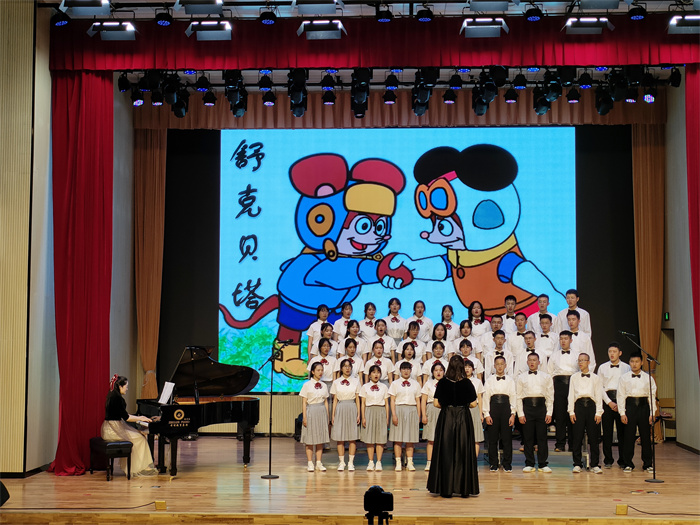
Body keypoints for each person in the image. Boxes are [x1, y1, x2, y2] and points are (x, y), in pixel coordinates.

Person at [427, 356, 479, 498]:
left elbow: (436, 403)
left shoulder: (443, 382)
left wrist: (447, 405)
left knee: (446, 450)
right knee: (463, 450)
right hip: (463, 417)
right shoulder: (467, 383)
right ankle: (463, 488)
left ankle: (446, 489)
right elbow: (474, 404)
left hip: (447, 417)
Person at [102, 375, 158, 477]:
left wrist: (139, 418)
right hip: (113, 429)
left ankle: (134, 466)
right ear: (120, 386)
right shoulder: (117, 398)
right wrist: (141, 418)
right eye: (126, 386)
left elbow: (123, 415)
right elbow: (126, 417)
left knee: (138, 435)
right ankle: (139, 468)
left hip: (110, 427)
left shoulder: (112, 395)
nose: (127, 389)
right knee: (140, 438)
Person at [618, 352, 657, 473]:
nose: (634, 364)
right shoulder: (624, 378)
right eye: (632, 361)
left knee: (645, 437)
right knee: (628, 437)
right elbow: (621, 396)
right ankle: (628, 463)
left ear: (642, 362)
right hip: (630, 407)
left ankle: (648, 464)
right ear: (629, 363)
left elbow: (652, 396)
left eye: (637, 361)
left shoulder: (648, 378)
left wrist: (652, 413)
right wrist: (622, 413)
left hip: (644, 407)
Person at [516, 353, 554, 473]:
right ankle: (529, 463)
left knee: (542, 437)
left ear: (539, 362)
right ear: (527, 362)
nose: (532, 362)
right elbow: (518, 397)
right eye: (530, 360)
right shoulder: (521, 377)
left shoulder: (546, 377)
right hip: (527, 408)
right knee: (528, 437)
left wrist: (549, 412)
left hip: (541, 407)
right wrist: (520, 414)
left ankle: (543, 464)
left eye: (534, 360)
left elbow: (550, 396)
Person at [596, 342, 631, 468]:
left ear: (620, 353)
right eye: (610, 351)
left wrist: (621, 403)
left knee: (622, 433)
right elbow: (599, 387)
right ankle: (608, 460)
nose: (612, 354)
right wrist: (609, 402)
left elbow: (628, 385)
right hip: (607, 400)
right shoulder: (602, 367)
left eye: (614, 351)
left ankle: (623, 460)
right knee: (607, 432)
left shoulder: (627, 367)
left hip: (622, 400)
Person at [567, 353, 603, 473]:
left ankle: (595, 464)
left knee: (594, 438)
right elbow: (571, 395)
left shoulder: (596, 378)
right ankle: (577, 463)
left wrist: (599, 412)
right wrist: (571, 411)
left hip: (592, 407)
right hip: (578, 406)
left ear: (588, 362)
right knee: (577, 437)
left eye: (583, 360)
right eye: (579, 360)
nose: (581, 362)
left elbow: (599, 395)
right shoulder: (574, 377)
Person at [483, 356, 516, 472]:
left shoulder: (510, 380)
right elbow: (486, 397)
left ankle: (507, 463)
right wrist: (487, 414)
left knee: (507, 438)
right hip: (493, 408)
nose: (500, 366)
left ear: (505, 366)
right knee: (492, 438)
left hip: (506, 408)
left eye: (502, 364)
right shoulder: (489, 380)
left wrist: (513, 414)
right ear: (494, 366)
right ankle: (493, 463)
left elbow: (513, 396)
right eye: (498, 364)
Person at [548, 331, 579, 452]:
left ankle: (573, 444)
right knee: (560, 415)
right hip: (558, 385)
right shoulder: (554, 355)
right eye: (561, 339)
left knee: (572, 415)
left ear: (571, 340)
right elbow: (550, 373)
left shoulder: (577, 355)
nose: (563, 341)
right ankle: (560, 444)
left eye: (566, 338)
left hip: (573, 384)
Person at [389, 362, 422, 471]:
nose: (406, 371)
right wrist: (394, 414)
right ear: (400, 370)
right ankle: (398, 462)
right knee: (398, 439)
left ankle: (410, 462)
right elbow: (392, 400)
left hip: (412, 410)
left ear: (411, 370)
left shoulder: (416, 384)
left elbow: (418, 400)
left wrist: (418, 415)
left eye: (408, 369)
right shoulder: (395, 384)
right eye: (403, 369)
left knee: (410, 439)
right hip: (399, 409)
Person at [331, 359, 361, 471]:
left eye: (349, 366)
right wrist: (333, 415)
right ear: (341, 368)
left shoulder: (356, 381)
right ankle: (342, 462)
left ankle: (351, 463)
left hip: (352, 407)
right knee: (340, 437)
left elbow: (357, 399)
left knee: (352, 437)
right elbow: (335, 400)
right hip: (340, 407)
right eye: (345, 366)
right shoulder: (336, 382)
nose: (347, 368)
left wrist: (358, 414)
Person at [299, 362, 330, 472]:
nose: (320, 372)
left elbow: (326, 401)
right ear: (312, 372)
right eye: (318, 370)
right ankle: (310, 463)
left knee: (320, 439)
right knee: (310, 439)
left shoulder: (324, 385)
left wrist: (327, 416)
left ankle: (319, 463)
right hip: (311, 411)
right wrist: (305, 417)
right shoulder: (307, 385)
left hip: (321, 411)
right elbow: (304, 402)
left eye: (322, 370)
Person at [360, 365, 390, 471]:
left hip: (381, 411)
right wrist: (363, 417)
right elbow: (363, 403)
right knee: (370, 438)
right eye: (373, 372)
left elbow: (386, 403)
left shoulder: (384, 387)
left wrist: (387, 417)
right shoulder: (365, 387)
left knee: (380, 438)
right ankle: (371, 461)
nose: (376, 374)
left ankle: (379, 462)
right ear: (369, 375)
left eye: (378, 372)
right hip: (369, 411)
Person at [421, 361, 445, 471]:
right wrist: (423, 415)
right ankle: (429, 462)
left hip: (444, 410)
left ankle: (442, 462)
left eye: (441, 370)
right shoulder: (428, 384)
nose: (438, 372)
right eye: (436, 370)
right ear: (432, 372)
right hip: (431, 409)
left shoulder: (447, 383)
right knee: (431, 439)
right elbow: (423, 400)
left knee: (444, 438)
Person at [464, 359, 485, 458]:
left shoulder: (477, 382)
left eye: (469, 367)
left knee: (476, 437)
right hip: (463, 409)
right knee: (464, 436)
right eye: (465, 367)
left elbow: (480, 398)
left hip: (475, 409)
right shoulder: (459, 380)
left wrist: (480, 413)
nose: (467, 369)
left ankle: (474, 461)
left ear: (473, 369)